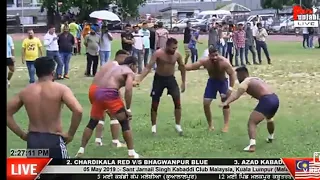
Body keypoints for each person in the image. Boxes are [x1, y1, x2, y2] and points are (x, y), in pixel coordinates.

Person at [7, 56, 83, 158]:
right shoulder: (61, 89)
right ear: (53, 71)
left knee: (38, 173)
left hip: (33, 141)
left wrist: (22, 135)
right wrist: (70, 134)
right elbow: (78, 110)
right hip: (53, 139)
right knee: (62, 173)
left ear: (36, 71)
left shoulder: (26, 91)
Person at [76, 56, 140, 158]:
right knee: (124, 122)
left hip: (97, 92)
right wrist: (128, 108)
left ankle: (81, 150)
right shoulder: (129, 72)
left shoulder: (115, 68)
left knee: (92, 122)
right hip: (109, 93)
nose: (137, 69)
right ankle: (131, 153)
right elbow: (128, 89)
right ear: (132, 65)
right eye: (136, 66)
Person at [220, 66, 279, 152]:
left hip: (267, 100)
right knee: (269, 118)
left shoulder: (245, 82)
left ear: (242, 74)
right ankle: (271, 136)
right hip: (275, 99)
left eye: (238, 75)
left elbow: (236, 95)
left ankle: (252, 146)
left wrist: (226, 102)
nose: (237, 78)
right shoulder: (256, 79)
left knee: (252, 122)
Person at [135, 38, 186, 136]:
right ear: (167, 46)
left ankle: (178, 125)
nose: (174, 50)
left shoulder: (177, 55)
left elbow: (182, 67)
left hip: (171, 79)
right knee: (155, 103)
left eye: (175, 48)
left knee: (178, 102)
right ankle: (153, 127)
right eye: (172, 48)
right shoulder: (158, 53)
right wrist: (139, 79)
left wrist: (183, 82)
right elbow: (148, 67)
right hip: (159, 79)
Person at [184, 47, 236, 132]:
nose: (215, 57)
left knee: (225, 101)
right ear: (209, 56)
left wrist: (230, 88)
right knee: (206, 103)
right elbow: (193, 66)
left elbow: (232, 74)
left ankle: (226, 125)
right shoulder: (205, 61)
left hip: (222, 82)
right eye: (212, 56)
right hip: (212, 82)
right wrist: (183, 67)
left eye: (216, 55)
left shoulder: (224, 62)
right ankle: (210, 125)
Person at [94, 50, 130, 146]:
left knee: (100, 115)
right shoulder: (116, 67)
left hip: (95, 90)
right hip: (106, 91)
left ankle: (98, 140)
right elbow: (113, 86)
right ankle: (115, 142)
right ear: (120, 57)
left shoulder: (107, 64)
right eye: (125, 58)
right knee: (114, 114)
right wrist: (121, 102)